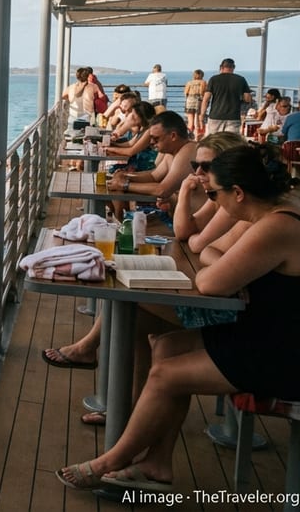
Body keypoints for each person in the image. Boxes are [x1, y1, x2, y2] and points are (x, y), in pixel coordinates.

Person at [57, 144, 300, 493]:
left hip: (281, 354)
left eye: (214, 194)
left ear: (239, 193)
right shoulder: (274, 214)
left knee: (166, 374)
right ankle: (157, 463)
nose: (214, 202)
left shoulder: (276, 226)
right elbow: (212, 253)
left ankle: (110, 460)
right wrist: (231, 268)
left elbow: (208, 281)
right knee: (168, 346)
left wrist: (227, 270)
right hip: (263, 332)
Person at [199, 58, 251, 135]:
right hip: (233, 117)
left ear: (221, 67)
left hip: (215, 116)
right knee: (230, 142)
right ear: (233, 67)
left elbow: (206, 99)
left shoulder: (214, 79)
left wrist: (202, 115)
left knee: (213, 141)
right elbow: (248, 98)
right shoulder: (241, 79)